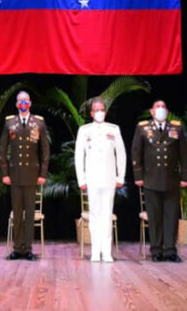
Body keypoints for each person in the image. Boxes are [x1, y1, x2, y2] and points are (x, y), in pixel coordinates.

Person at [131, 99, 187, 263]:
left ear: (167, 111)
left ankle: (170, 250)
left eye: (163, 107)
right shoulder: (143, 128)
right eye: (157, 107)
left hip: (172, 179)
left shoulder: (176, 128)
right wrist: (138, 176)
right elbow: (136, 152)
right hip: (151, 179)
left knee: (171, 216)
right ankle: (156, 250)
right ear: (152, 111)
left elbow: (184, 154)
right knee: (155, 217)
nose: (161, 109)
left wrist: (185, 176)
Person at [0, 91, 49, 260]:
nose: (23, 103)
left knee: (29, 214)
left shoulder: (39, 123)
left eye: (26, 100)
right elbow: (3, 151)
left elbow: (45, 151)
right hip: (15, 175)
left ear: (30, 103)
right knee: (17, 214)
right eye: (20, 101)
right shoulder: (10, 123)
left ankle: (27, 249)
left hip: (32, 175)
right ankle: (17, 248)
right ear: (16, 104)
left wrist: (42, 173)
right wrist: (5, 173)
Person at [75, 98, 126, 262]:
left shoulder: (113, 129)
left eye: (102, 110)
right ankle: (96, 251)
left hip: (109, 178)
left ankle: (107, 252)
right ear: (91, 113)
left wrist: (120, 176)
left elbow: (121, 154)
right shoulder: (84, 130)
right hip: (92, 179)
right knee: (95, 215)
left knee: (107, 214)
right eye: (97, 110)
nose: (100, 113)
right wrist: (81, 179)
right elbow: (79, 156)